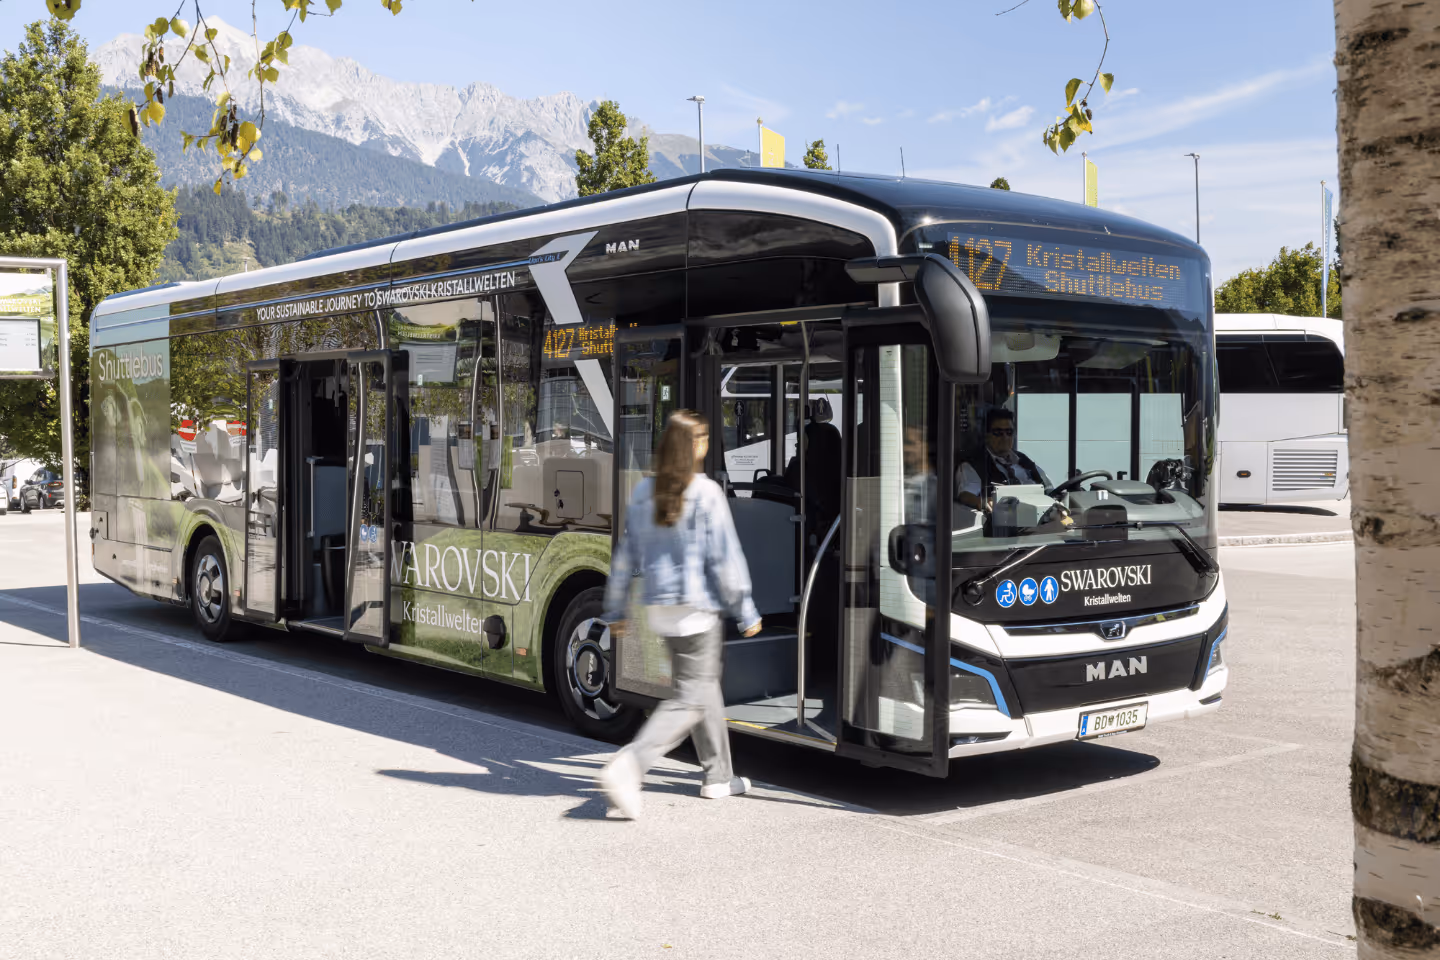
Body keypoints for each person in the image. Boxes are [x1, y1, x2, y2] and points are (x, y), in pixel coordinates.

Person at [597, 410, 762, 820]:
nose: (706, 443)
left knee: (701, 686)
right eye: (703, 437)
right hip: (696, 611)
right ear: (695, 446)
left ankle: (718, 776)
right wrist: (745, 609)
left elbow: (625, 556)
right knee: (689, 697)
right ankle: (631, 764)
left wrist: (616, 607)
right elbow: (725, 558)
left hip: (660, 610)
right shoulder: (706, 492)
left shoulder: (644, 490)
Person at [957, 408, 1051, 512]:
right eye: (998, 432)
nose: (1005, 437)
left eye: (1009, 432)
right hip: (1002, 519)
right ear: (987, 436)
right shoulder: (974, 465)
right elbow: (965, 495)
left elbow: (1049, 487)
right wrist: (982, 502)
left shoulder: (1024, 461)